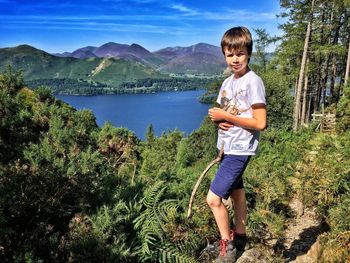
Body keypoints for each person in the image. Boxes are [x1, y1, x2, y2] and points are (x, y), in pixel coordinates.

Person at [207, 26, 267, 262]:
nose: (235, 59)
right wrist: (220, 122)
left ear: (248, 53)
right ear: (224, 54)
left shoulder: (254, 82)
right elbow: (226, 113)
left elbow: (260, 123)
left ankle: (227, 246)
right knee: (237, 194)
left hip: (240, 150)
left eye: (240, 53)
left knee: (213, 199)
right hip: (227, 147)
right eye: (230, 54)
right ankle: (240, 237)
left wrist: (227, 118)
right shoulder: (227, 83)